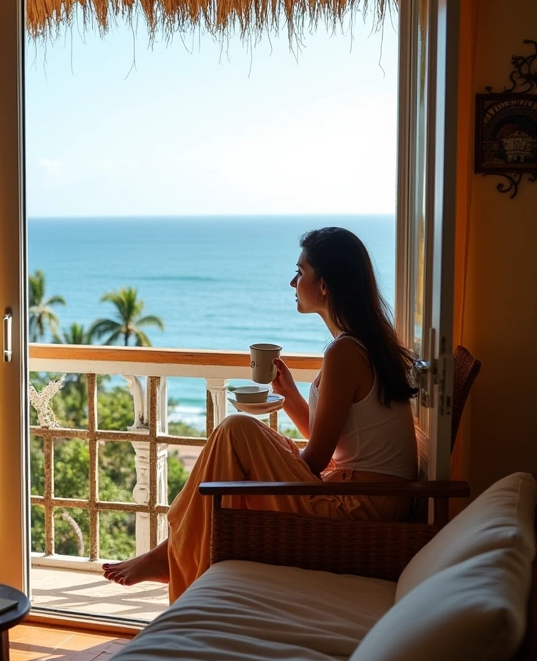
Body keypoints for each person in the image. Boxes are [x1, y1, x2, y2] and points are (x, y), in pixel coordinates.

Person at [102, 227, 418, 603]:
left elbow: (317, 460)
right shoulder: (363, 344)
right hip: (361, 495)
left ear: (325, 286)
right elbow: (338, 446)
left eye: (301, 272)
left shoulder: (345, 353)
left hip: (354, 510)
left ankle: (173, 554)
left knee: (237, 430)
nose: (292, 280)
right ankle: (172, 553)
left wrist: (273, 459)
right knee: (242, 439)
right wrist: (291, 397)